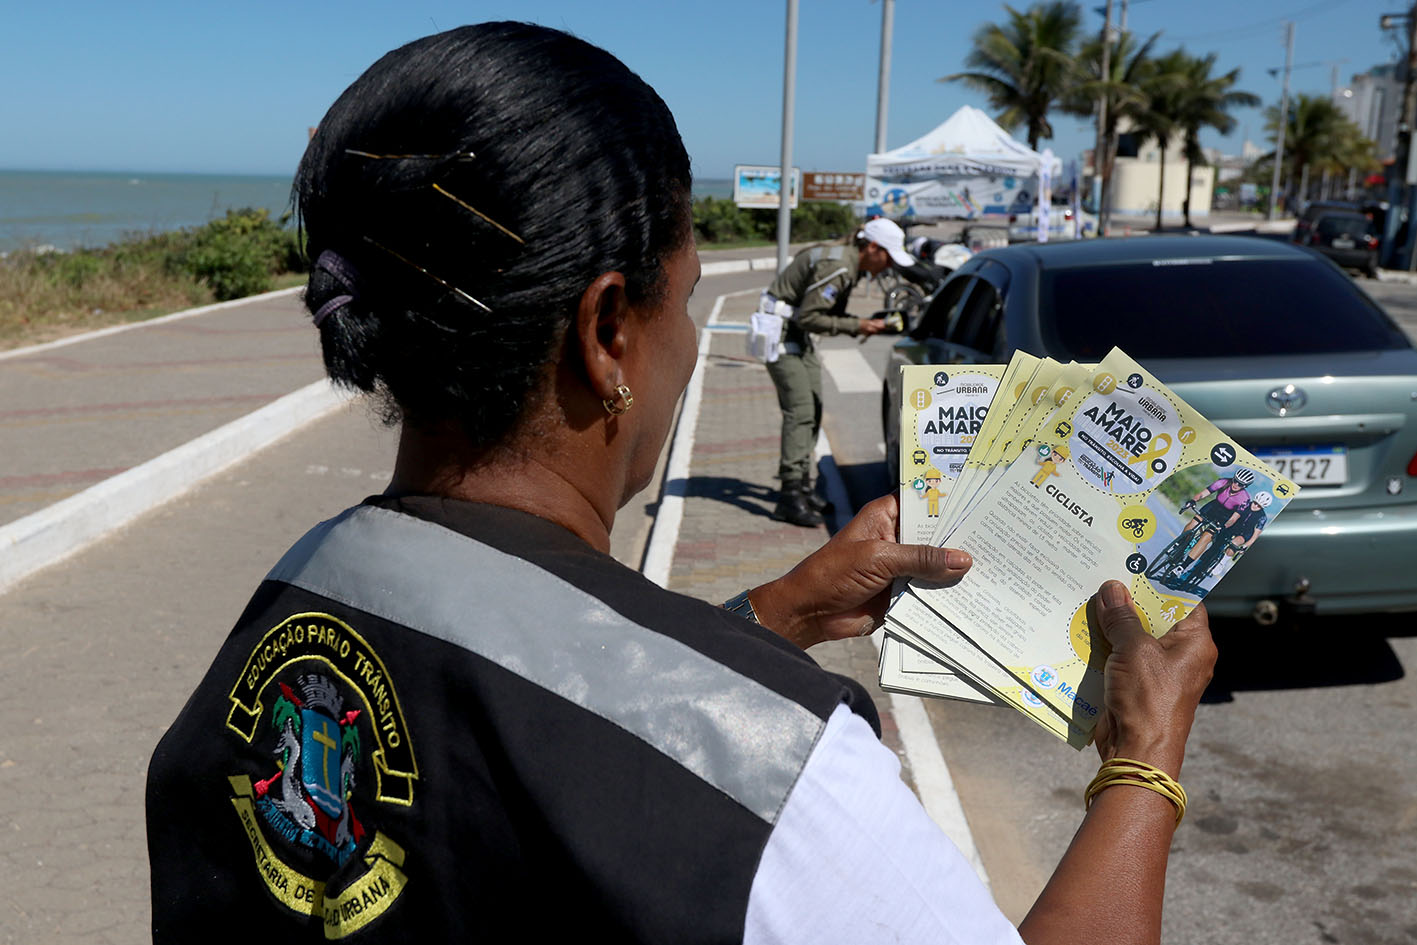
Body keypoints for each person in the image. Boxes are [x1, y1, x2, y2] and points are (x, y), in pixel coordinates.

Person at [145, 23, 1217, 943]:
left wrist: (761, 623)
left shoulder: (283, 614)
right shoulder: (794, 777)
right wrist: (1144, 757)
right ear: (609, 332)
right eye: (685, 299)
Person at [759, 218, 910, 526]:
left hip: (797, 337)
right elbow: (811, 317)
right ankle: (789, 495)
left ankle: (802, 486)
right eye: (888, 258)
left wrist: (864, 324)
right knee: (800, 412)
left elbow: (824, 315)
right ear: (872, 248)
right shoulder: (839, 267)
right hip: (782, 335)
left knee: (812, 408)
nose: (889, 266)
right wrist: (861, 325)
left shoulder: (847, 263)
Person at [1175, 490, 1271, 589]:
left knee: (1234, 544)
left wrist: (1245, 546)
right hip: (1232, 527)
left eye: (1259, 506)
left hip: (1244, 534)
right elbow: (1233, 518)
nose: (1255, 506)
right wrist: (1224, 526)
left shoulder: (1262, 517)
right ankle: (1195, 569)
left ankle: (1223, 562)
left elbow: (1254, 536)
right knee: (1213, 548)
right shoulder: (1245, 504)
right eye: (1255, 503)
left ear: (1263, 508)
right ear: (1253, 500)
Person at [1170, 468, 1255, 577]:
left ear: (1245, 486)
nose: (1235, 485)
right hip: (1213, 507)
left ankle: (1182, 566)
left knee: (1206, 537)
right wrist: (1193, 500)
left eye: (1240, 484)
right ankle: (1180, 545)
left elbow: (1234, 518)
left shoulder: (1244, 499)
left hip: (1225, 517)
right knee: (1194, 523)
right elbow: (1203, 494)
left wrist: (1224, 526)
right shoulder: (1223, 482)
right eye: (1235, 480)